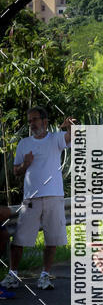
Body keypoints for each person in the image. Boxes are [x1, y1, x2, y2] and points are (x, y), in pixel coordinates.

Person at [0, 107, 75, 290]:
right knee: (19, 240)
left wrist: (69, 126)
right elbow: (16, 171)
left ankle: (44, 276)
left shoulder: (55, 138)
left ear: (45, 121)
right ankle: (13, 275)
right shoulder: (24, 143)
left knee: (52, 240)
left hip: (54, 197)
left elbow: (71, 136)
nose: (32, 124)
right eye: (30, 120)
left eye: (35, 120)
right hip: (31, 199)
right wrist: (25, 164)